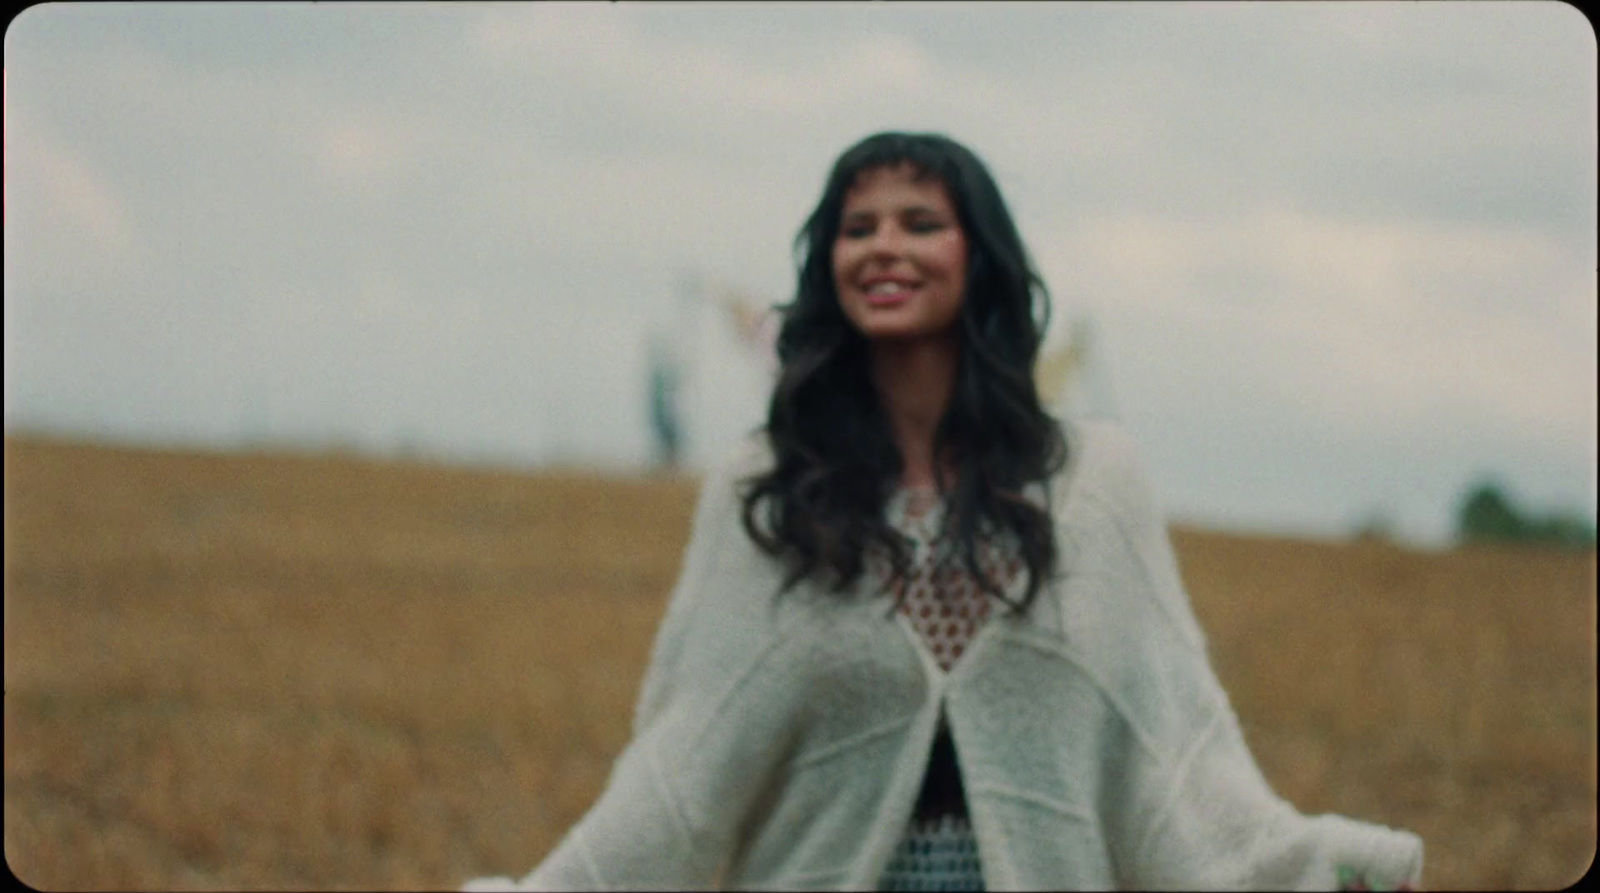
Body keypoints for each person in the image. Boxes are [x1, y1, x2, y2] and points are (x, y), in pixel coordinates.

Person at [463, 131, 1424, 891]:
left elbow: (1176, 767)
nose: (884, 245)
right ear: (827, 265)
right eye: (857, 226)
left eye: (920, 220)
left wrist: (1326, 871)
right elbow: (679, 780)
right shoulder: (767, 490)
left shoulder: (1094, 483)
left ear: (981, 256)